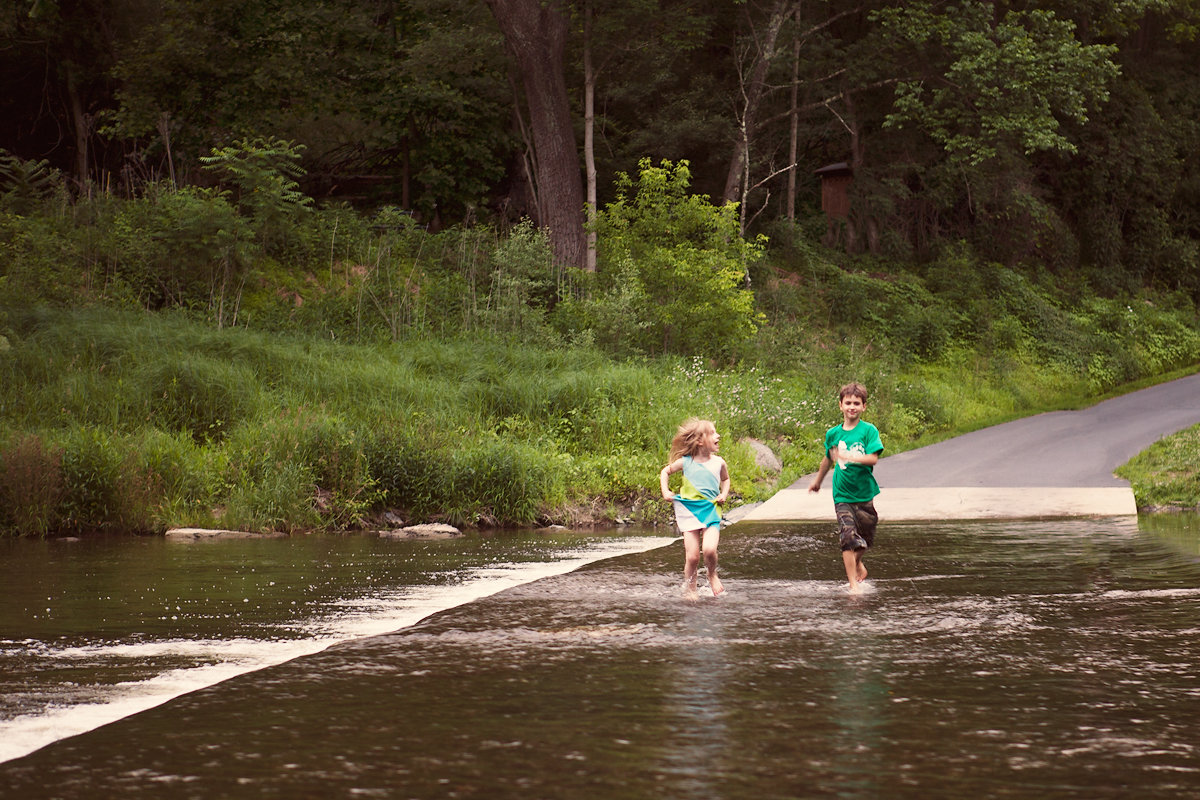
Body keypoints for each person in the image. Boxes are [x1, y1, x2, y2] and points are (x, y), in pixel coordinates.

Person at [807, 382, 883, 594]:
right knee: (848, 538)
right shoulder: (833, 434)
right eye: (848, 402)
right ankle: (853, 585)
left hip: (865, 493)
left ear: (864, 406)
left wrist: (849, 456)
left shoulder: (868, 431)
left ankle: (858, 563)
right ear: (840, 405)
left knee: (865, 540)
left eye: (856, 403)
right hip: (842, 494)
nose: (852, 406)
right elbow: (827, 459)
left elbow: (873, 459)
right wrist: (818, 481)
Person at [660, 418, 730, 600]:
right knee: (692, 557)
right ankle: (691, 588)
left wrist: (724, 494)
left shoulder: (719, 463)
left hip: (711, 511)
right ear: (700, 441)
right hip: (689, 511)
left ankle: (712, 574)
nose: (718, 435)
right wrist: (666, 491)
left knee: (709, 550)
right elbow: (665, 472)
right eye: (713, 433)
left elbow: (725, 479)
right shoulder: (686, 462)